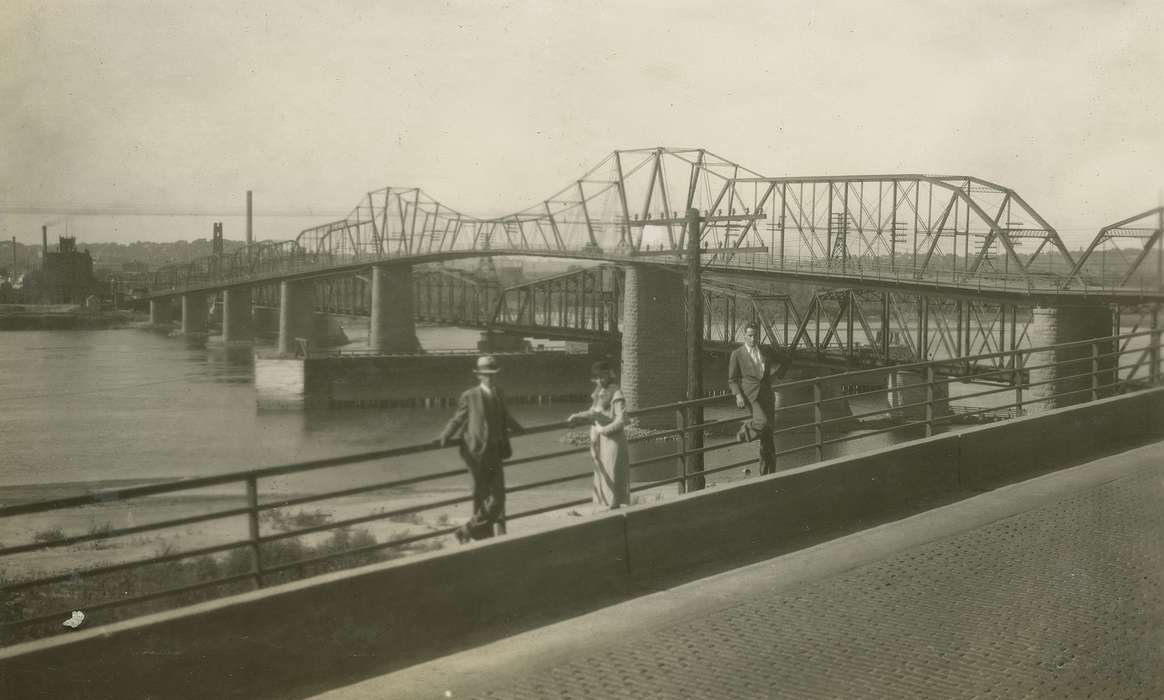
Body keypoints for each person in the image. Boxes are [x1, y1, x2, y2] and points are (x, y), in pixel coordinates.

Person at [438, 355, 524, 542]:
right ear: (479, 376)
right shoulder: (470, 396)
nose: (490, 377)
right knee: (481, 494)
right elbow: (458, 419)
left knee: (498, 498)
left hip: (495, 451)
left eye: (492, 374)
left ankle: (467, 530)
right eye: (486, 374)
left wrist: (519, 428)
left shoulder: (499, 393)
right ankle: (483, 538)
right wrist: (445, 435)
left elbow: (505, 417)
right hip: (475, 453)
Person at [567, 361, 630, 510]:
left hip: (614, 441)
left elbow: (622, 420)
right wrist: (576, 416)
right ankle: (610, 510)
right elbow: (593, 413)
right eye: (597, 377)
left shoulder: (616, 393)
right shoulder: (600, 393)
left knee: (612, 477)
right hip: (602, 443)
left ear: (609, 374)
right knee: (603, 476)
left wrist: (603, 430)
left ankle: (614, 511)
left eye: (603, 376)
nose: (600, 380)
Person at [728, 321, 785, 475]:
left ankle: (768, 473)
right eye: (750, 335)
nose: (753, 339)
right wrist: (738, 395)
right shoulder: (737, 354)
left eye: (755, 336)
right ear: (744, 336)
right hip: (751, 395)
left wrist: (776, 375)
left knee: (768, 436)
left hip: (767, 395)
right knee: (762, 423)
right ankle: (744, 432)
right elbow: (732, 379)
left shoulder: (765, 350)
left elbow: (784, 361)